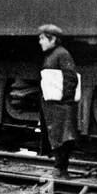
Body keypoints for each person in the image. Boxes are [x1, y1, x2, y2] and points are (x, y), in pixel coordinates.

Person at [37, 24, 81, 179]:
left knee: (62, 138)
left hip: (60, 106)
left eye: (43, 38)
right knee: (57, 137)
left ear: (53, 39)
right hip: (53, 105)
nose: (40, 42)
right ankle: (59, 169)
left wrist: (64, 101)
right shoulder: (53, 54)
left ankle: (61, 169)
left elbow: (71, 77)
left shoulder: (62, 54)